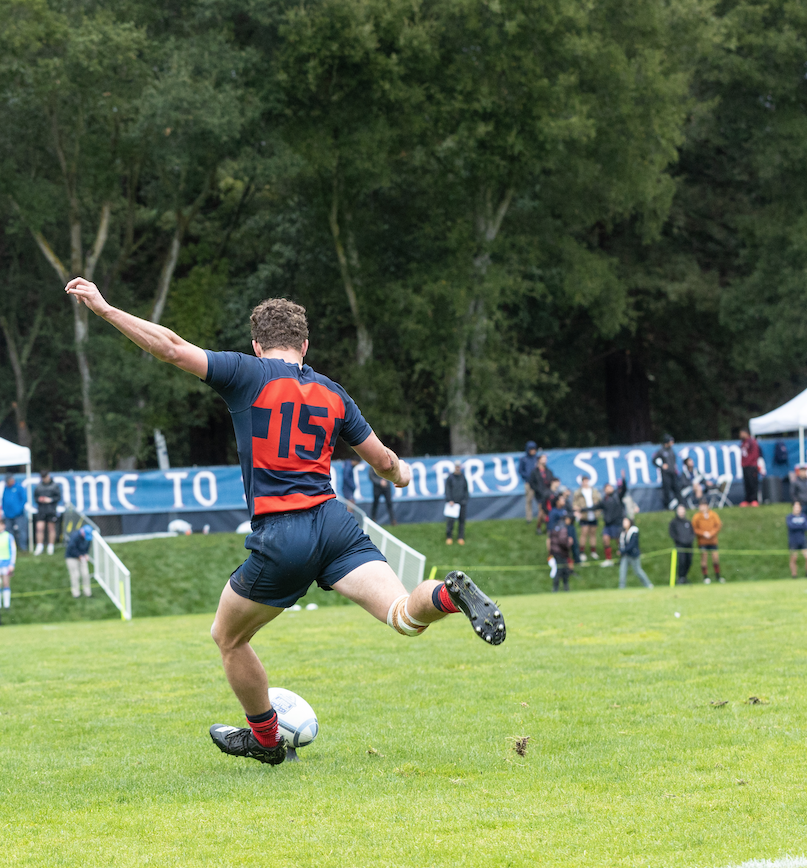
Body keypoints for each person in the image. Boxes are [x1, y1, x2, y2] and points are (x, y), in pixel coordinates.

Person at [64, 278, 504, 766]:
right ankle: (447, 593)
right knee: (403, 615)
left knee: (228, 637)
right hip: (336, 526)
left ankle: (267, 742)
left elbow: (170, 347)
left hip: (283, 533)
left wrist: (105, 310)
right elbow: (383, 462)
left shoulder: (246, 373)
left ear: (256, 344)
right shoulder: (334, 394)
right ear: (305, 345)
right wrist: (400, 473)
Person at [691, 500, 722, 584]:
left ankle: (718, 576)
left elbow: (718, 525)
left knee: (715, 558)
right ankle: (706, 577)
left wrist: (711, 533)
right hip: (702, 541)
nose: (703, 507)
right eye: (701, 506)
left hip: (712, 541)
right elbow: (694, 528)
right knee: (704, 558)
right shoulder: (697, 516)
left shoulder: (713, 515)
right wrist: (703, 533)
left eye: (704, 505)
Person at [597, 481, 626, 568]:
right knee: (605, 539)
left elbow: (624, 489)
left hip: (617, 524)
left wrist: (624, 480)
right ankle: (608, 560)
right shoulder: (604, 500)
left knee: (619, 542)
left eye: (610, 487)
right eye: (606, 488)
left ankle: (623, 559)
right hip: (608, 525)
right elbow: (595, 507)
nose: (608, 489)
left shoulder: (618, 496)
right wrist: (581, 510)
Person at [617, 516, 652, 589]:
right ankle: (621, 587)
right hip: (625, 555)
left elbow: (632, 544)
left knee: (638, 571)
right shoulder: (623, 533)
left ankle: (648, 584)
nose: (624, 523)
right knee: (622, 571)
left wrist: (622, 551)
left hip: (633, 555)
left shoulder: (634, 531)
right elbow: (622, 544)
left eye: (626, 521)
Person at [570, 476, 599, 564]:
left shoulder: (594, 491)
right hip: (584, 514)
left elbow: (598, 501)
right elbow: (574, 503)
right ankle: (582, 551)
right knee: (584, 533)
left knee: (593, 533)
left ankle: (593, 551)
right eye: (584, 481)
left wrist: (598, 510)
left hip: (593, 514)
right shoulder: (578, 492)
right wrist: (578, 510)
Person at [33, 472, 61, 555]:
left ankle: (50, 546)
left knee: (51, 528)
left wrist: (50, 500)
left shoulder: (54, 486)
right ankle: (39, 546)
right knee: (39, 528)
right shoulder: (39, 486)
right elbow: (35, 498)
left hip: (51, 510)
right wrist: (40, 499)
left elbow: (58, 497)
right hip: (41, 510)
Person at [64, 519, 93, 597]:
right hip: (72, 558)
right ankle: (76, 593)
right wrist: (79, 555)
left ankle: (87, 592)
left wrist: (86, 554)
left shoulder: (87, 538)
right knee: (75, 575)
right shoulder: (75, 536)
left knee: (86, 574)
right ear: (83, 532)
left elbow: (87, 547)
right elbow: (71, 549)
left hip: (82, 557)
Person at [786, 501, 807, 578]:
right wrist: (800, 526)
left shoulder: (804, 516)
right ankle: (794, 575)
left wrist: (797, 526)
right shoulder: (789, 517)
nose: (797, 508)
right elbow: (791, 526)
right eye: (795, 507)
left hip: (802, 540)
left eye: (798, 507)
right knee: (794, 558)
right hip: (793, 541)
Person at [668, 505, 695, 584]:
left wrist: (689, 539)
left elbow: (692, 532)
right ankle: (681, 577)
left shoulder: (687, 522)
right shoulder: (674, 522)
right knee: (682, 561)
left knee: (688, 561)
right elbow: (672, 534)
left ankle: (684, 577)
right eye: (680, 510)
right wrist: (680, 540)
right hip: (680, 545)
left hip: (689, 545)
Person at [443, 465, 469, 546]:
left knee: (461, 521)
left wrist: (465, 500)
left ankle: (460, 537)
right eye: (456, 467)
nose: (458, 469)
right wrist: (449, 499)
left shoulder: (463, 477)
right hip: (452, 504)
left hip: (461, 503)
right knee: (450, 521)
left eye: (459, 467)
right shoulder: (450, 478)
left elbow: (466, 489)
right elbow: (447, 489)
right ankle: (449, 537)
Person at [737, 427, 763, 506]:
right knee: (747, 483)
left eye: (742, 433)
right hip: (745, 466)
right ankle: (747, 499)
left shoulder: (752, 442)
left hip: (752, 465)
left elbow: (755, 454)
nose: (740, 435)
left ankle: (754, 499)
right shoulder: (743, 443)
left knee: (753, 483)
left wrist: (751, 463)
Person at [1, 475, 27, 550]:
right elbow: (3, 499)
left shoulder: (19, 487)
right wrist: (4, 510)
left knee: (21, 530)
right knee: (8, 531)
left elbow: (24, 499)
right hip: (8, 514)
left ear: (12, 480)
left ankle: (23, 547)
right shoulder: (6, 488)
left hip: (19, 514)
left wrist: (19, 509)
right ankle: (10, 547)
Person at [653, 436, 680, 510]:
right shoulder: (661, 451)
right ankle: (666, 507)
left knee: (677, 489)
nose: (672, 443)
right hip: (666, 474)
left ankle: (681, 506)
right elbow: (653, 460)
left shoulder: (671, 450)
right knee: (666, 491)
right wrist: (661, 466)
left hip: (673, 473)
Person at [547, 520, 574, 592]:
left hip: (556, 552)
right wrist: (569, 543)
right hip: (561, 552)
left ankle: (563, 588)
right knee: (561, 570)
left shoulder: (556, 526)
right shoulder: (563, 527)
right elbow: (562, 541)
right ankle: (557, 589)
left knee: (562, 570)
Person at [526, 457, 551, 532]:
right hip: (540, 494)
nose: (545, 460)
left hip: (547, 493)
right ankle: (539, 527)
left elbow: (551, 480)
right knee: (542, 510)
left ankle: (547, 526)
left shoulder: (548, 471)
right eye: (543, 459)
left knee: (548, 510)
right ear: (539, 460)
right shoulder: (535, 471)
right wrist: (537, 490)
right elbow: (532, 483)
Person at [518, 441, 542, 520]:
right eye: (531, 449)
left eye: (534, 449)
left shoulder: (537, 459)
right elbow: (520, 471)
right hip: (528, 483)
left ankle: (541, 516)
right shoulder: (524, 459)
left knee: (540, 500)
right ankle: (529, 518)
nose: (533, 451)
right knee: (529, 501)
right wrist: (527, 478)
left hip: (538, 483)